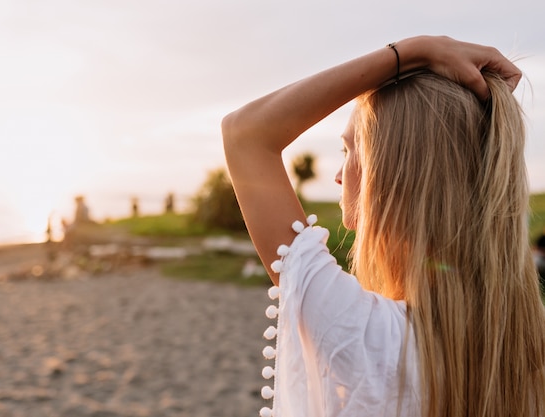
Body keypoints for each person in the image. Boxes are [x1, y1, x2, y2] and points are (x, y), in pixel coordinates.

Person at [222, 35, 545, 417]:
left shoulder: (365, 335)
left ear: (395, 171)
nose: (339, 176)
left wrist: (412, 51)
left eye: (350, 149)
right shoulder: (528, 341)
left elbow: (244, 134)